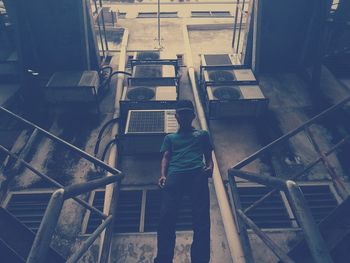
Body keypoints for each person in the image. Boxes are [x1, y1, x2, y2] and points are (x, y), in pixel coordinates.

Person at [154, 99, 214, 263]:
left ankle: (200, 260)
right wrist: (163, 175)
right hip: (175, 175)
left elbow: (208, 155)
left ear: (193, 116)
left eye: (188, 113)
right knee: (166, 217)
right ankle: (163, 259)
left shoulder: (202, 134)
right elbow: (166, 157)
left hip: (197, 173)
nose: (184, 116)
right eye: (181, 113)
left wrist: (210, 167)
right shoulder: (170, 137)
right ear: (176, 116)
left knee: (201, 218)